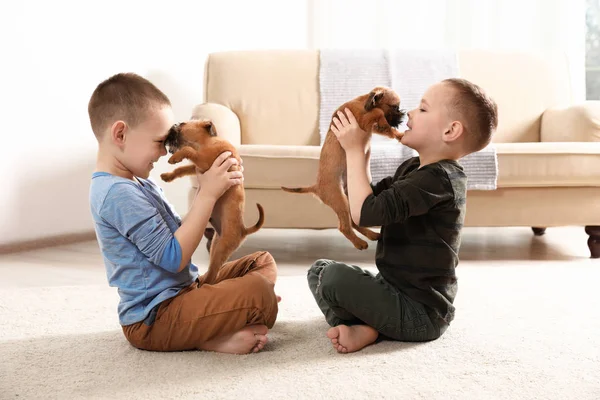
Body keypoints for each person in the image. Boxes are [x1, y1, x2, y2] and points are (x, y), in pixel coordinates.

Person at [88, 72, 279, 354]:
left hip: (184, 294)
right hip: (154, 319)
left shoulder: (138, 184)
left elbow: (180, 233)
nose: (165, 152)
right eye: (159, 141)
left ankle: (222, 320)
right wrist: (207, 194)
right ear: (120, 134)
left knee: (262, 262)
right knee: (259, 294)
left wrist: (217, 190)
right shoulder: (117, 194)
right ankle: (212, 335)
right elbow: (174, 257)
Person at [307, 78, 498, 353]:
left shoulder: (439, 181)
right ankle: (367, 327)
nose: (409, 113)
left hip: (421, 313)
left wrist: (352, 151)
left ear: (450, 130)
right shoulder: (414, 168)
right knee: (320, 270)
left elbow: (364, 214)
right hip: (392, 288)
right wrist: (360, 150)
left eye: (422, 109)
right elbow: (369, 197)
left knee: (333, 278)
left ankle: (367, 326)